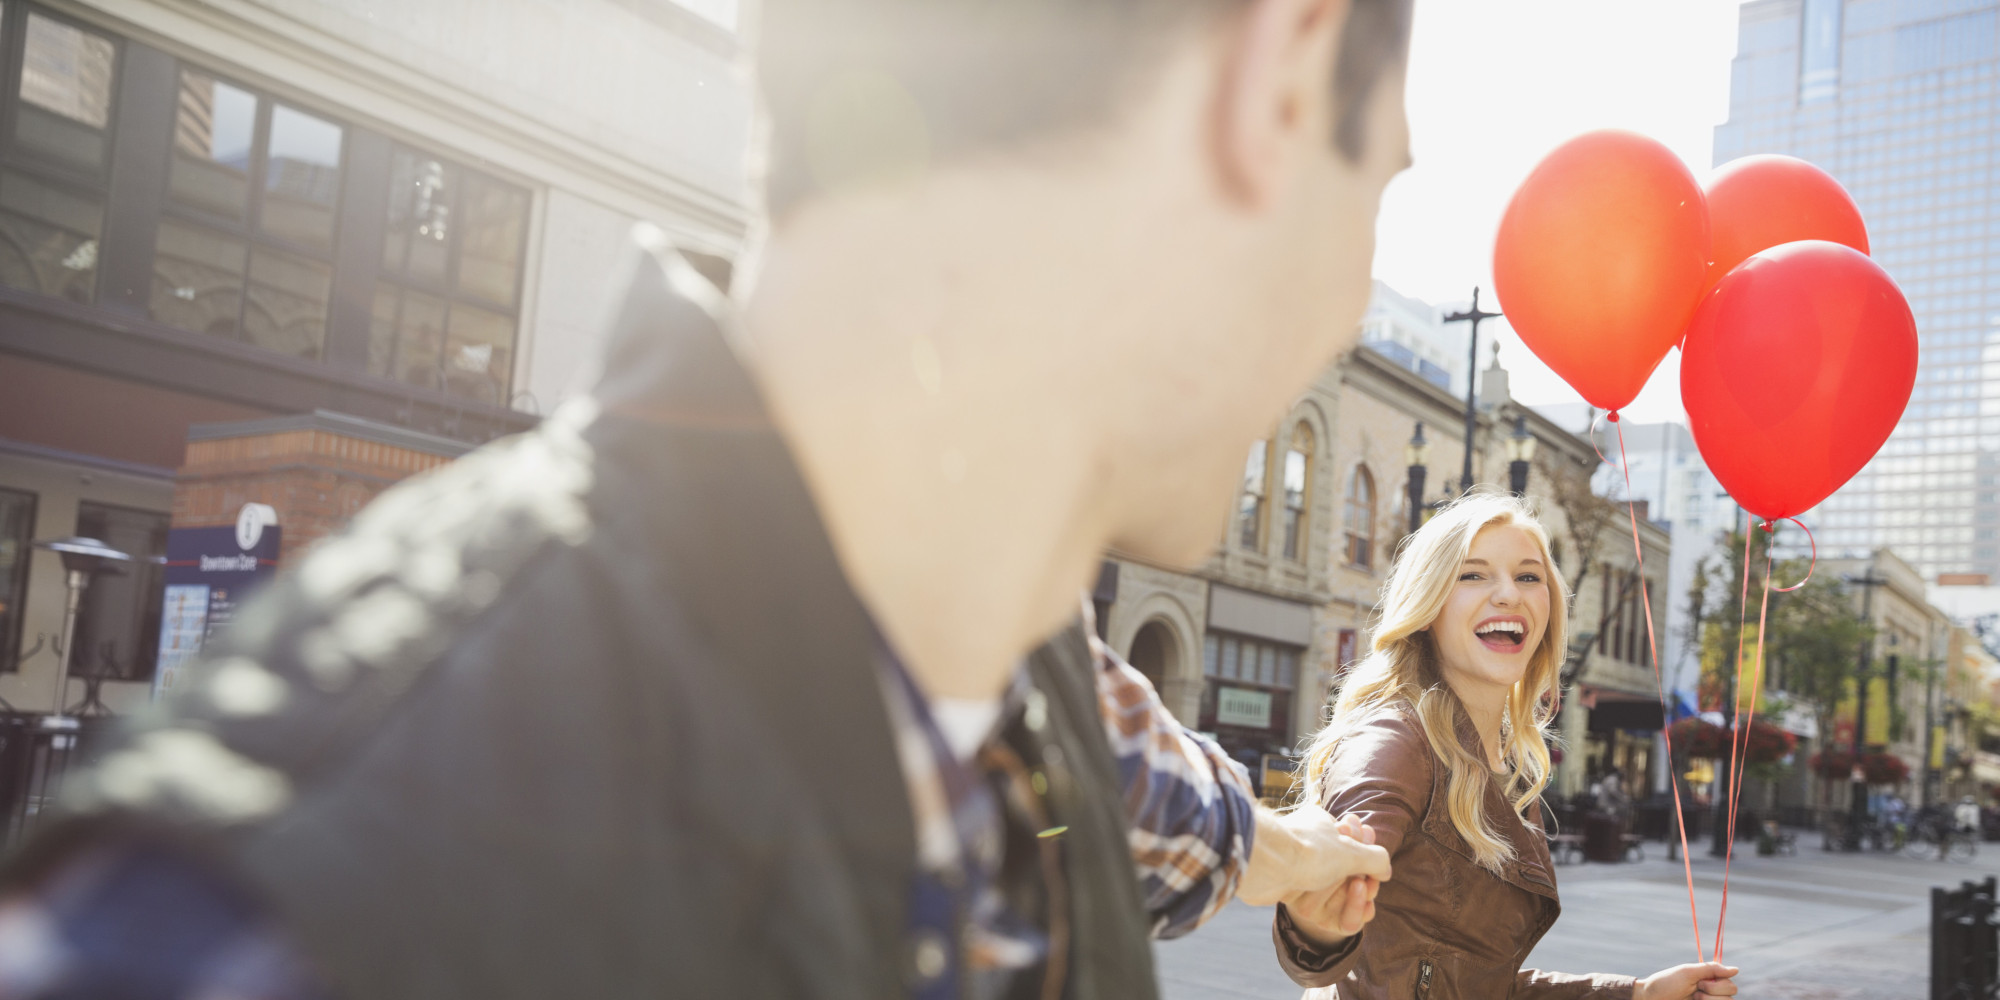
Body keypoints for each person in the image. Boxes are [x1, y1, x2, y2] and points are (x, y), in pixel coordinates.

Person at [0, 0, 1416, 997]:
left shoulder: (1018, 692)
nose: (1351, 294)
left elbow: (1170, 820)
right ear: (1277, 86)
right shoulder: (291, 914)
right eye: (1383, 180)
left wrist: (1311, 861)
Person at [1271, 493, 1740, 999]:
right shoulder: (1395, 738)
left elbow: (1478, 984)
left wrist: (1639, 994)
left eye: (1528, 576)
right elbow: (1323, 932)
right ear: (1428, 606)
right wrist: (1318, 920)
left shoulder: (1509, 763)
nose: (1508, 595)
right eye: (1472, 575)